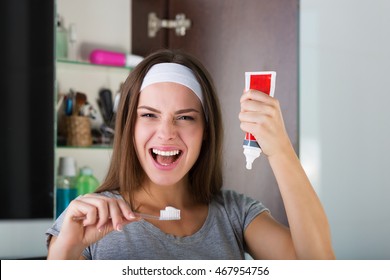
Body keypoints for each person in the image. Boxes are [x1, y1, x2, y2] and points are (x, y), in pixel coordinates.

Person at [46, 49, 335, 260]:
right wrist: (67, 251)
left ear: (206, 130)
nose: (166, 132)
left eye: (185, 118)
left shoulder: (235, 215)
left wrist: (280, 149)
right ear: (129, 127)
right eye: (149, 115)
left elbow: (319, 266)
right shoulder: (87, 221)